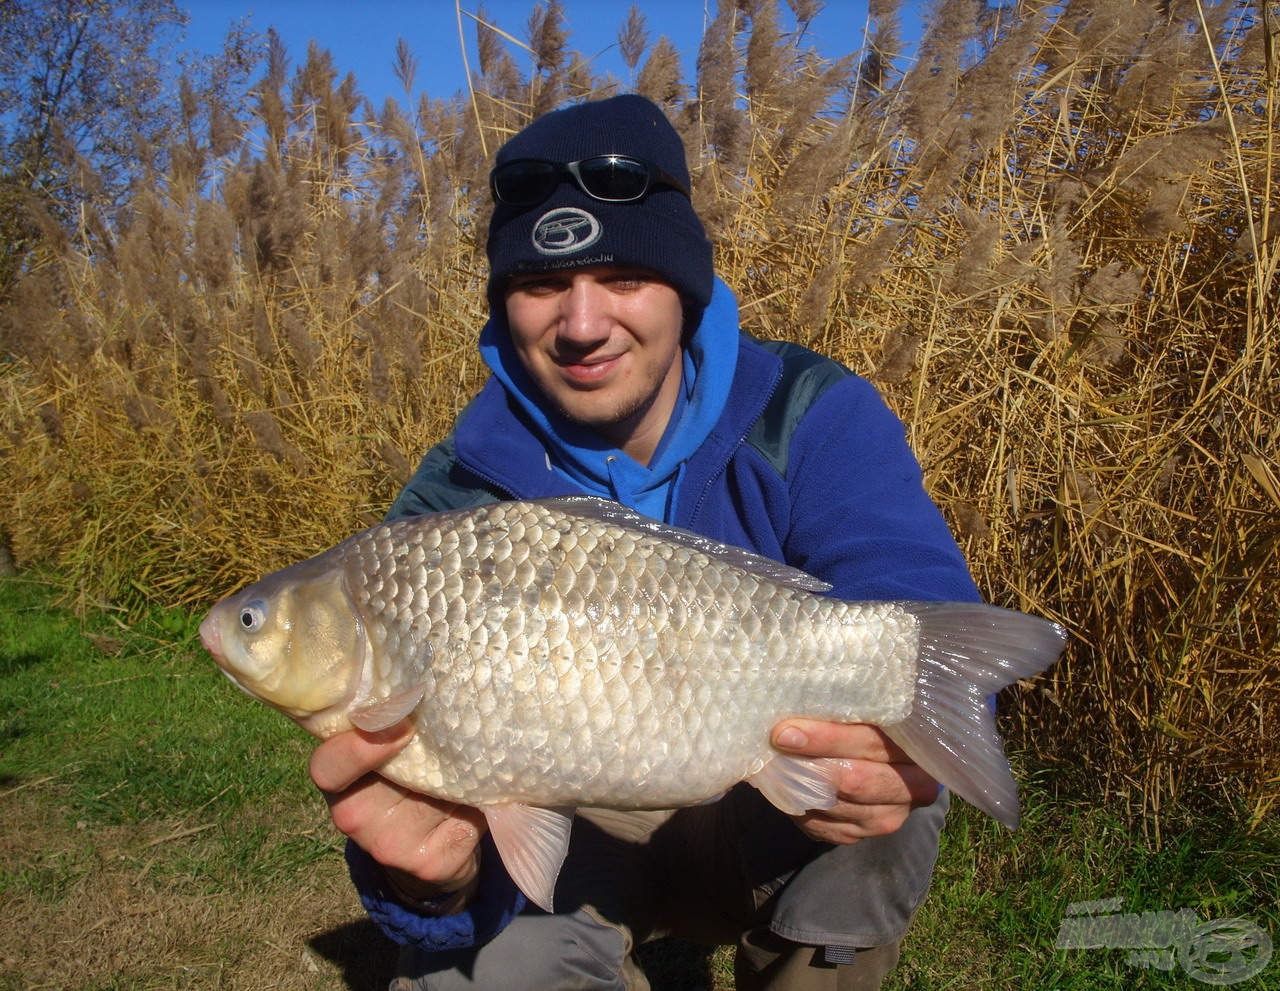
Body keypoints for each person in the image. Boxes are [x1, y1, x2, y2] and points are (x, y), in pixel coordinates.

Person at [308, 94, 980, 991]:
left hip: (766, 797)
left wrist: (898, 755)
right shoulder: (450, 507)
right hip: (569, 833)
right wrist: (425, 880)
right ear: (506, 302)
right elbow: (410, 820)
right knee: (478, 969)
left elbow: (924, 606)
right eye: (542, 285)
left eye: (622, 275)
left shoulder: (810, 414)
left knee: (900, 770)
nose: (583, 323)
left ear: (684, 286)